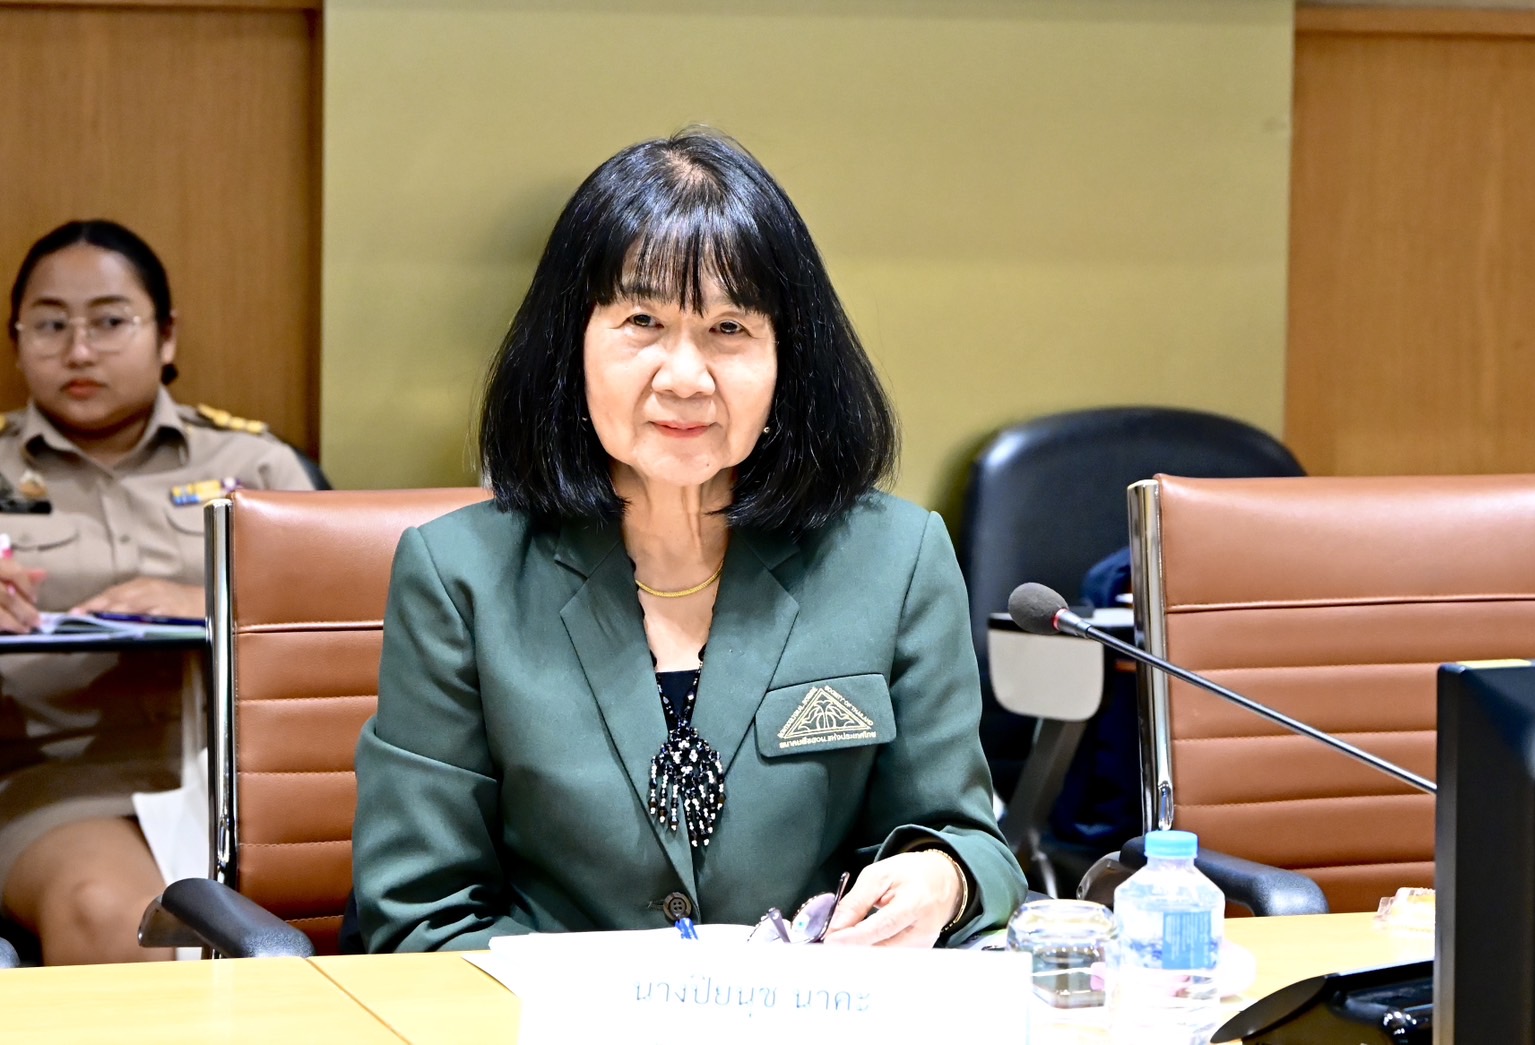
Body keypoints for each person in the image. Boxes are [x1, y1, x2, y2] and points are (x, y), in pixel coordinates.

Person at [352, 130, 1026, 951]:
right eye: (642, 320)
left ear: (787, 360)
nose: (684, 376)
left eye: (729, 328)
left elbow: (967, 841)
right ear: (571, 344)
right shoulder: (458, 577)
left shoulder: (895, 560)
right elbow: (421, 915)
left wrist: (943, 877)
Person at [0, 220, 318, 964]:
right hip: (58, 778)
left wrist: (213, 603)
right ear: (17, 342)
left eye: (110, 322)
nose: (80, 351)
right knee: (109, 910)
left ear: (166, 336)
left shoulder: (256, 465)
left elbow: (344, 629)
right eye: (50, 325)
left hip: (251, 781)